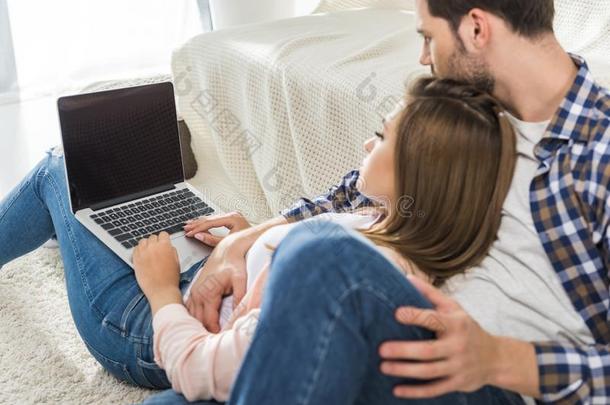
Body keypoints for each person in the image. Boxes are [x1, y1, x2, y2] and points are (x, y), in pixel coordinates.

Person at [173, 0, 610, 403]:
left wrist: (500, 359)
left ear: (476, 28)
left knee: (323, 257)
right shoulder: (469, 111)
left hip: (489, 379)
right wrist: (251, 235)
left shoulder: (599, 156)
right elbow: (355, 189)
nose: (423, 58)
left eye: (428, 37)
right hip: (400, 327)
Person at [133, 77, 517, 403]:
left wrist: (161, 291)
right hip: (212, 277)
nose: (367, 144)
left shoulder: (346, 271)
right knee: (88, 189)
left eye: (382, 136)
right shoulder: (380, 218)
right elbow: (338, 198)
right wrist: (247, 240)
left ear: (419, 173)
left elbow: (196, 366)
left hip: (181, 322)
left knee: (74, 181)